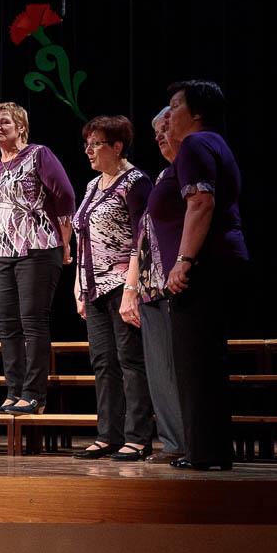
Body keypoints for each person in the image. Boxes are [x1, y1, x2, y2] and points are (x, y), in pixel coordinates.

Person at [160, 80, 248, 470]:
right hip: (221, 258)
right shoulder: (215, 143)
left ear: (197, 113)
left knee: (195, 359)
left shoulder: (196, 144)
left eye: (175, 106)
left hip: (205, 262)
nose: (169, 114)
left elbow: (200, 203)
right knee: (207, 358)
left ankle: (203, 452)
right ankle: (211, 450)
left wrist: (184, 260)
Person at [70, 115, 155, 460]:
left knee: (130, 360)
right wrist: (79, 284)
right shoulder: (93, 185)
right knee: (103, 362)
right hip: (93, 287)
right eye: (87, 143)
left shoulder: (135, 182)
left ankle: (137, 437)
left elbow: (142, 239)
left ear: (117, 146)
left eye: (96, 144)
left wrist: (131, 290)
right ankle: (108, 434)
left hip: (123, 283)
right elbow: (82, 237)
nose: (88, 150)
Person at [0, 102, 75, 415]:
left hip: (38, 248)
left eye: (4, 122)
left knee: (32, 321)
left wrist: (65, 242)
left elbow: (65, 195)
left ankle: (34, 394)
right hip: (2, 253)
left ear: (21, 127)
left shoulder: (38, 155)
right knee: (7, 325)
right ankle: (14, 391)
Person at [118, 108, 186, 463]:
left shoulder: (186, 173)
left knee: (177, 368)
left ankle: (187, 442)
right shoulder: (163, 176)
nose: (159, 137)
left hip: (173, 283)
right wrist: (132, 289)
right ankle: (174, 443)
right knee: (160, 370)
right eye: (155, 132)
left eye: (165, 129)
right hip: (150, 286)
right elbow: (142, 238)